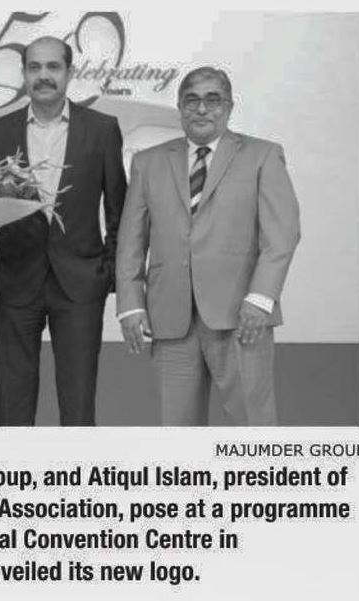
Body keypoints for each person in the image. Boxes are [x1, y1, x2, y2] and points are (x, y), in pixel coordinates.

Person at [115, 66, 300, 426]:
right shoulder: (147, 162)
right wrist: (130, 304)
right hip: (170, 319)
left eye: (213, 100)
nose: (202, 108)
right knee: (176, 430)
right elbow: (131, 240)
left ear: (229, 106)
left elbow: (283, 235)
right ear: (179, 106)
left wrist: (261, 299)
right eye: (192, 100)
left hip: (242, 316)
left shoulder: (263, 155)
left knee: (251, 425)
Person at [0, 37, 127, 426]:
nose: (43, 75)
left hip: (80, 286)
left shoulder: (102, 129)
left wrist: (108, 274)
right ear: (23, 74)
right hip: (13, 284)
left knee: (78, 410)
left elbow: (119, 210)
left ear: (69, 72)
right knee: (13, 410)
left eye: (53, 67)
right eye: (34, 67)